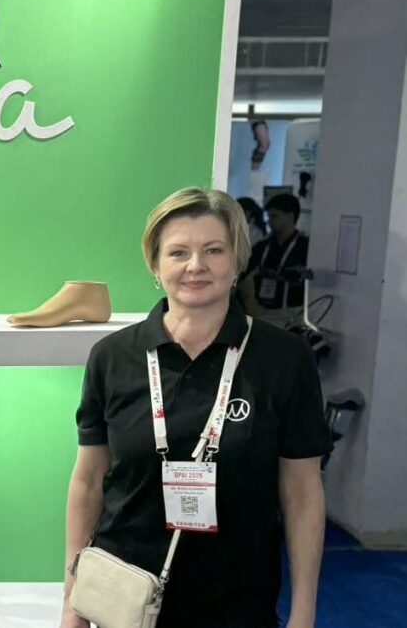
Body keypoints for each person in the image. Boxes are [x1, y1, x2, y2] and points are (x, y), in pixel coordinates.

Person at [61, 188, 330, 628]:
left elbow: (302, 493)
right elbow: (88, 483)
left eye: (213, 250)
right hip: (122, 597)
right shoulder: (113, 357)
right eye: (178, 252)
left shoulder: (283, 360)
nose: (195, 265)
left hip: (238, 602)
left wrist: (304, 612)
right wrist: (72, 604)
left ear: (237, 259)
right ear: (155, 264)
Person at [245, 193, 309, 323]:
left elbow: (314, 277)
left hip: (295, 313)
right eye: (268, 216)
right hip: (263, 311)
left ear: (290, 216)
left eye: (274, 216)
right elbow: (242, 271)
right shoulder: (263, 246)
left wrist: (292, 275)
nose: (269, 221)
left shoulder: (305, 247)